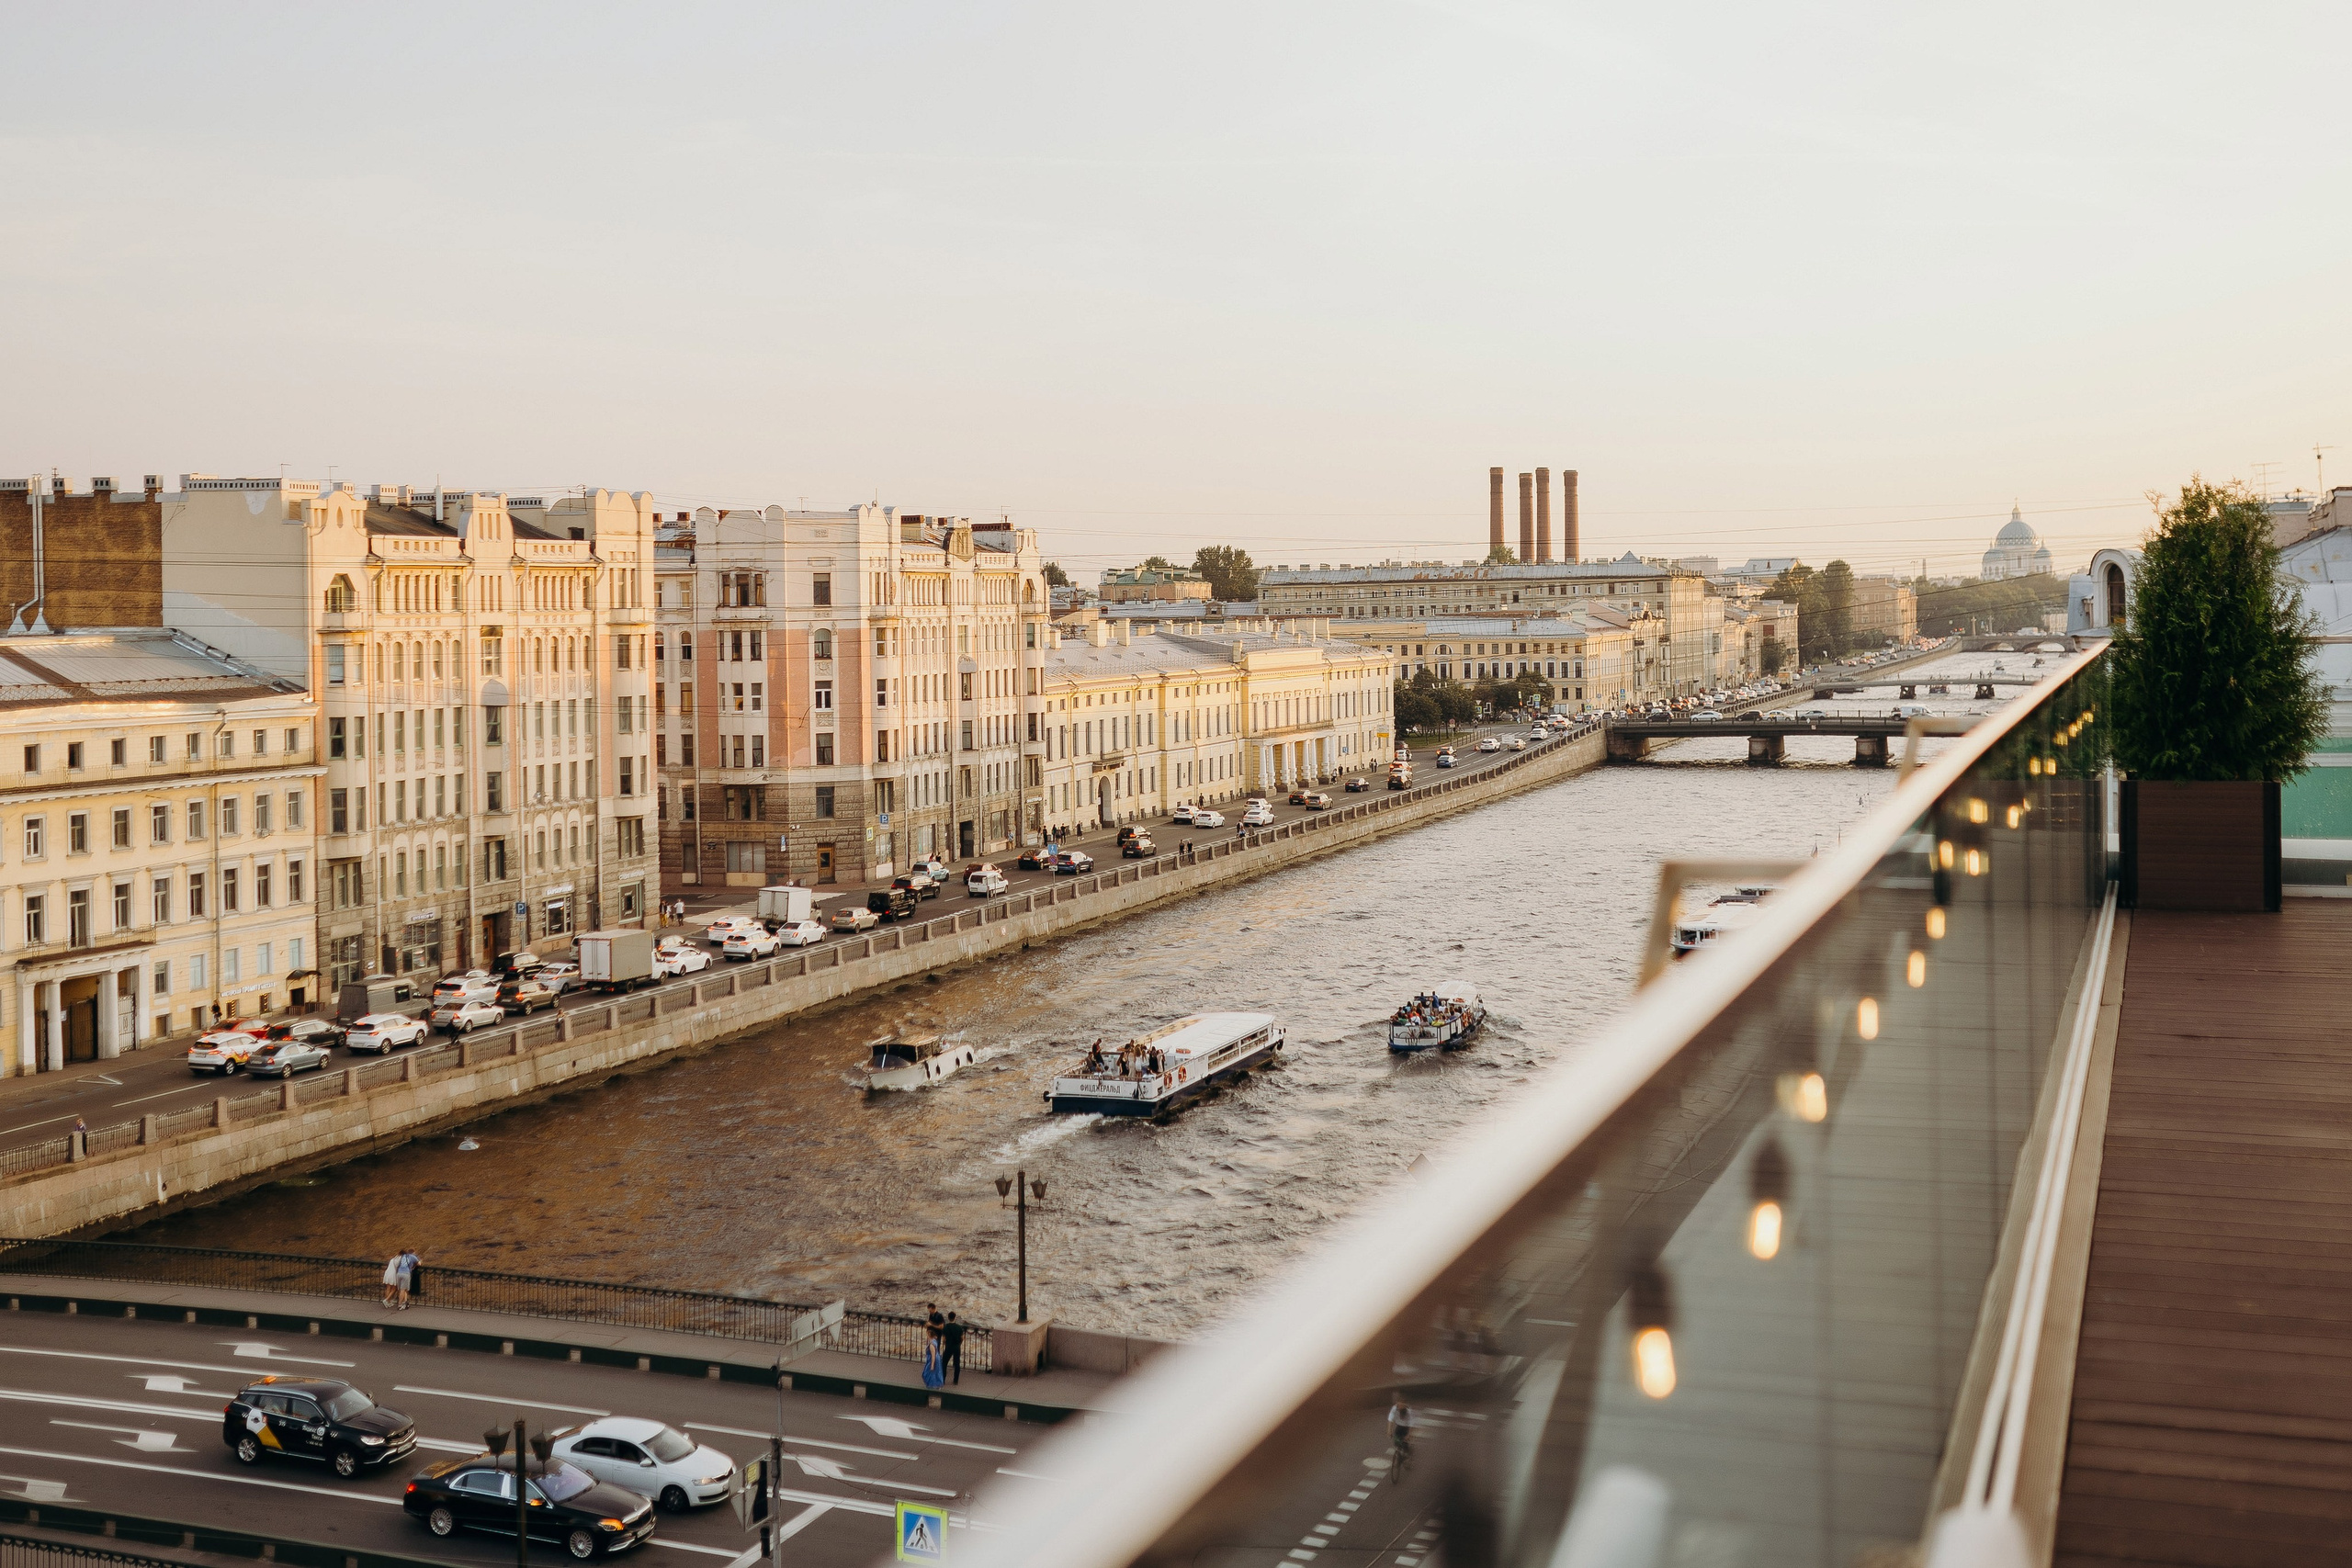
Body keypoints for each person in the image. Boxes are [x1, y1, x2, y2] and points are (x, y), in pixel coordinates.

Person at [1387, 1393, 1414, 1471]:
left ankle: (1407, 1457)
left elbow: (1411, 1423)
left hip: (1406, 1427)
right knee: (1397, 1442)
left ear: (1405, 1405)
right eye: (1398, 1405)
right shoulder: (1394, 1408)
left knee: (1405, 1444)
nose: (1399, 1407)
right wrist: (1389, 1431)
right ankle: (1398, 1459)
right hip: (1399, 1426)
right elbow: (1390, 1420)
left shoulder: (1409, 1411)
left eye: (1401, 1405)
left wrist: (1409, 1434)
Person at [941, 1313, 967, 1385]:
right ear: (955, 1318)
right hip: (957, 1347)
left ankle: (943, 1379)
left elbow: (944, 1339)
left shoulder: (945, 1327)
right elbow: (962, 1338)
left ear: (948, 1318)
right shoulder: (959, 1327)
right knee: (957, 1364)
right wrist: (959, 1343)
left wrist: (945, 1343)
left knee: (944, 1363)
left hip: (949, 1347)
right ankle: (956, 1380)